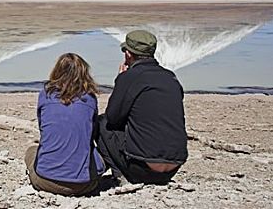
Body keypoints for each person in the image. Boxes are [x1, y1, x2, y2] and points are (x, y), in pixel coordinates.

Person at [96, 30, 188, 185]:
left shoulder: (130, 77)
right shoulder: (170, 77)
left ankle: (120, 175)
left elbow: (113, 118)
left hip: (143, 169)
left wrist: (120, 80)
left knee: (101, 123)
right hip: (174, 167)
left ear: (128, 54)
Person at [25, 53, 105, 196]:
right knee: (96, 156)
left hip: (46, 181)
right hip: (84, 185)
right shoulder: (89, 98)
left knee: (31, 151)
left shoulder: (45, 94)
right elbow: (92, 133)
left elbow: (43, 128)